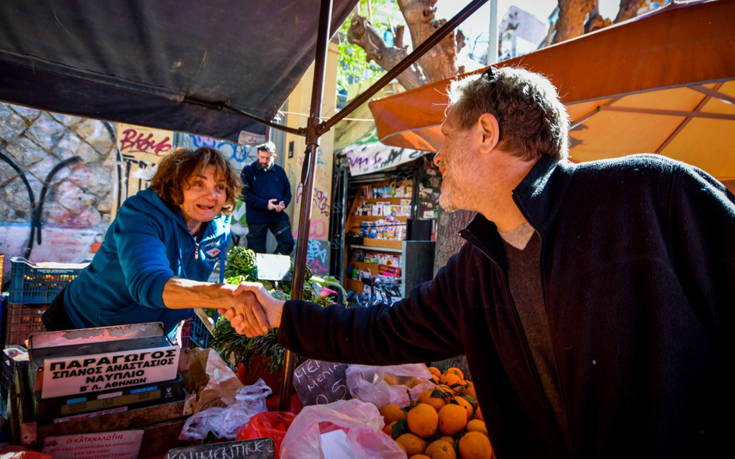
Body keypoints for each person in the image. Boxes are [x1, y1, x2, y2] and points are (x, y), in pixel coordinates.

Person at [223, 67, 733, 458]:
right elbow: (384, 331)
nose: (437, 158)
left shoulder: (649, 192)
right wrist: (280, 315)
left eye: (446, 136)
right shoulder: (477, 268)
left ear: (485, 133)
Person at [42, 147, 258, 334]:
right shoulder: (140, 214)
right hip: (84, 324)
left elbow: (191, 283)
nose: (211, 195)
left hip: (150, 334)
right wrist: (225, 296)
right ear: (175, 188)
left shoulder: (219, 228)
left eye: (219, 187)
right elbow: (149, 283)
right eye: (198, 185)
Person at [241, 141, 294, 255]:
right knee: (256, 254)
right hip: (256, 218)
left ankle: (272, 266)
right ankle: (261, 271)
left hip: (277, 216)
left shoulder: (279, 171)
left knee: (288, 242)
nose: (264, 161)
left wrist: (283, 203)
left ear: (274, 157)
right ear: (258, 154)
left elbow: (287, 193)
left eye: (267, 158)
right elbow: (244, 194)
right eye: (262, 157)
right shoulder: (248, 170)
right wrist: (265, 204)